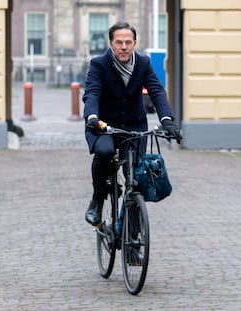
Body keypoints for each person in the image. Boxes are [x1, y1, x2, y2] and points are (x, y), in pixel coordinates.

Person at [82, 21, 182, 226]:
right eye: (119, 42)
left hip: (134, 125)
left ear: (135, 43)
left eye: (128, 42)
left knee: (136, 175)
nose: (124, 46)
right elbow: (92, 93)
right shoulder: (99, 64)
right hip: (103, 125)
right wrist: (92, 117)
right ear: (111, 43)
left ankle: (133, 232)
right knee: (105, 152)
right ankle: (98, 200)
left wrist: (167, 120)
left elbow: (157, 91)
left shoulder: (143, 64)